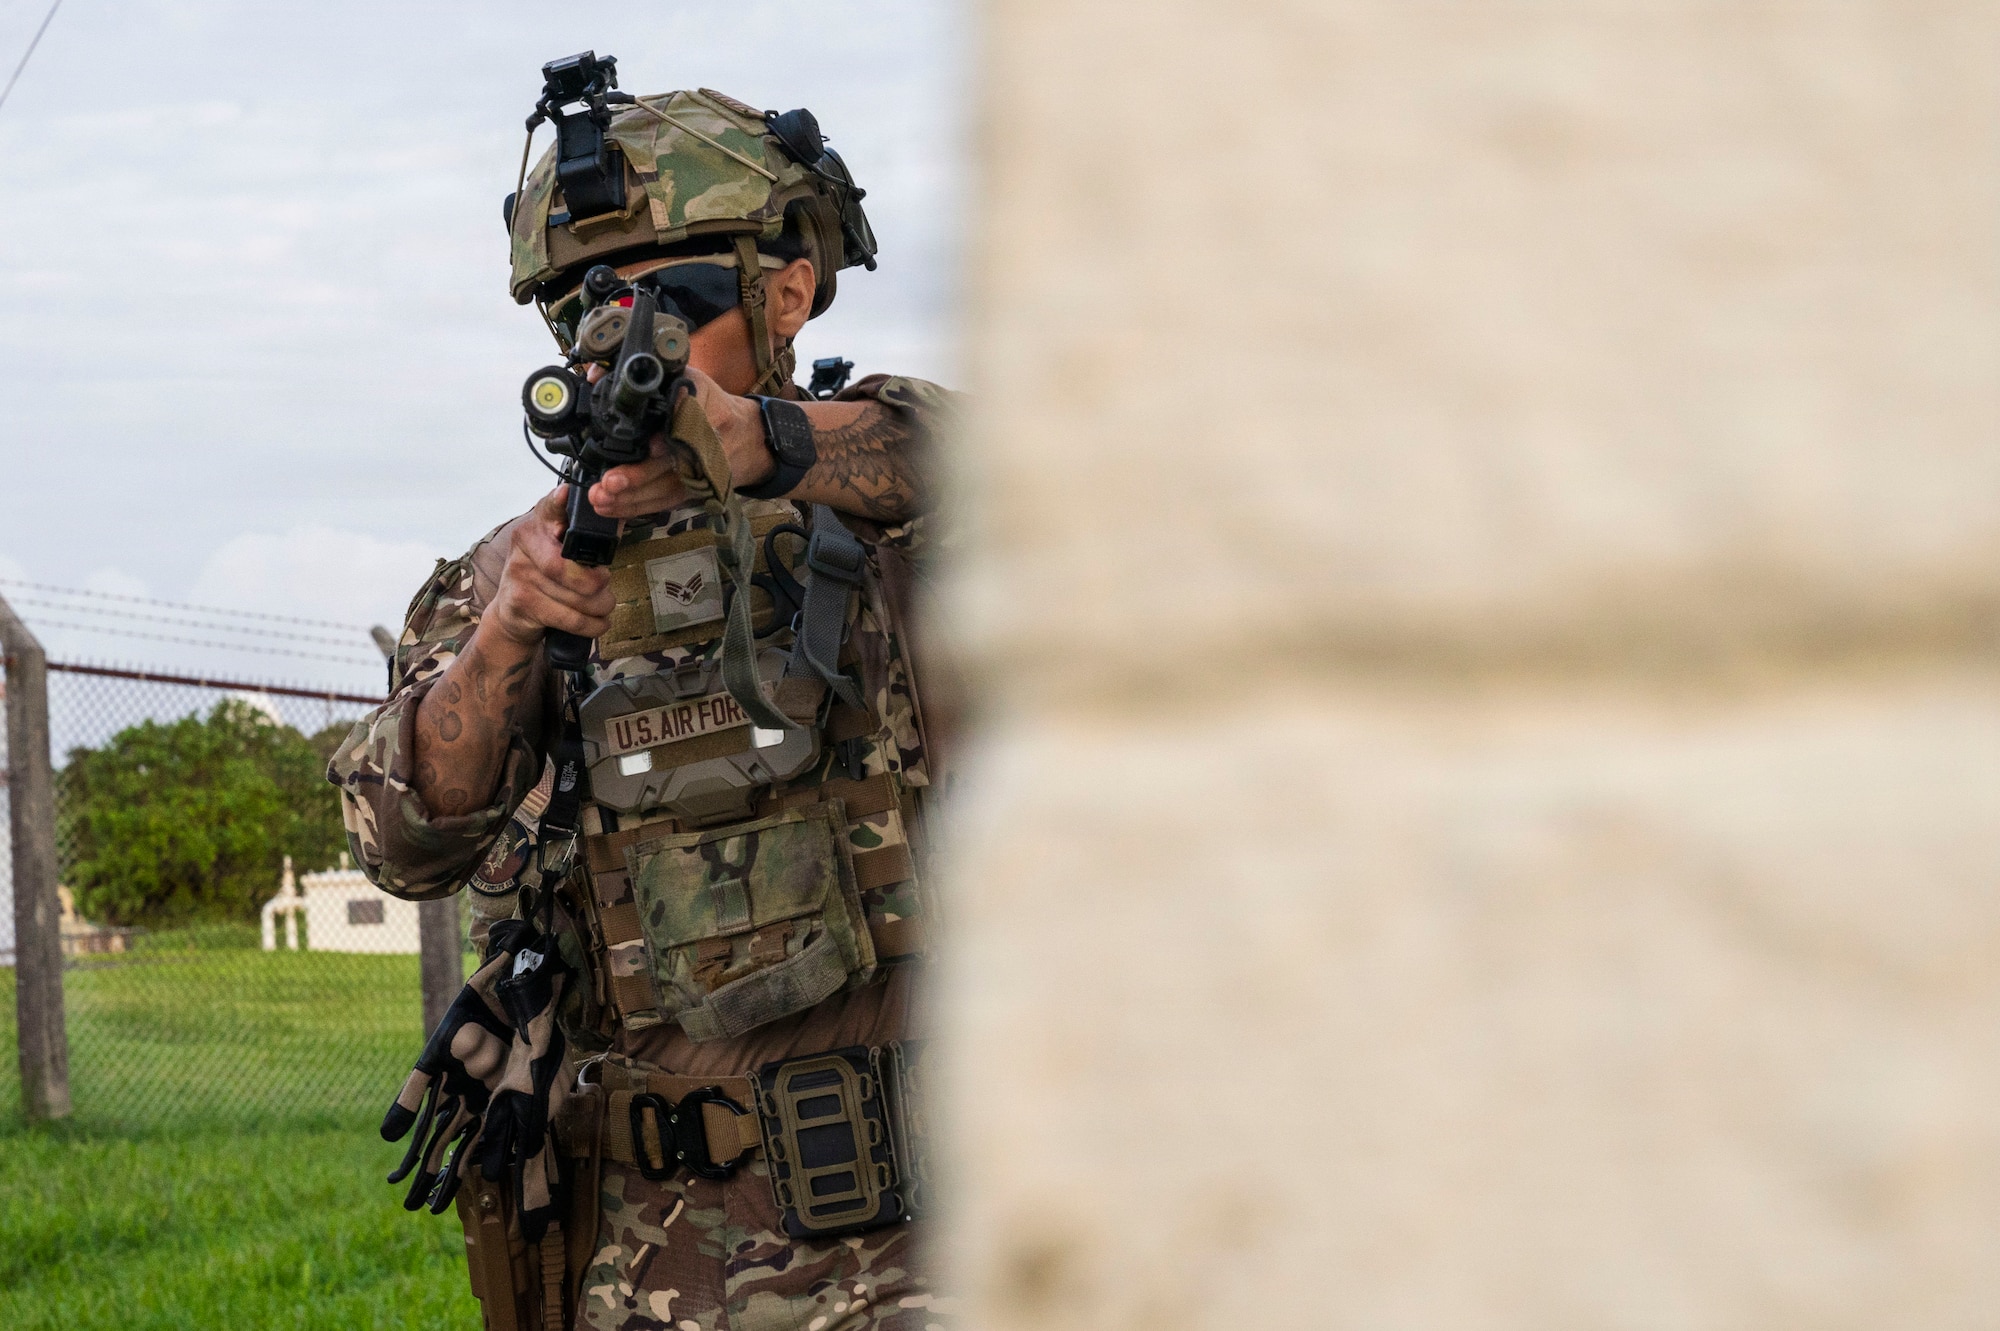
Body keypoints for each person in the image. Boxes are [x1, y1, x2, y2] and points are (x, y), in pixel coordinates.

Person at [329, 72, 957, 1331]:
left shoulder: (888, 498)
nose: (613, 337)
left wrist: (763, 444)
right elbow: (398, 841)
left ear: (785, 291)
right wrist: (508, 630)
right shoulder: (513, 574)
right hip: (657, 1255)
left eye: (669, 298)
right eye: (579, 307)